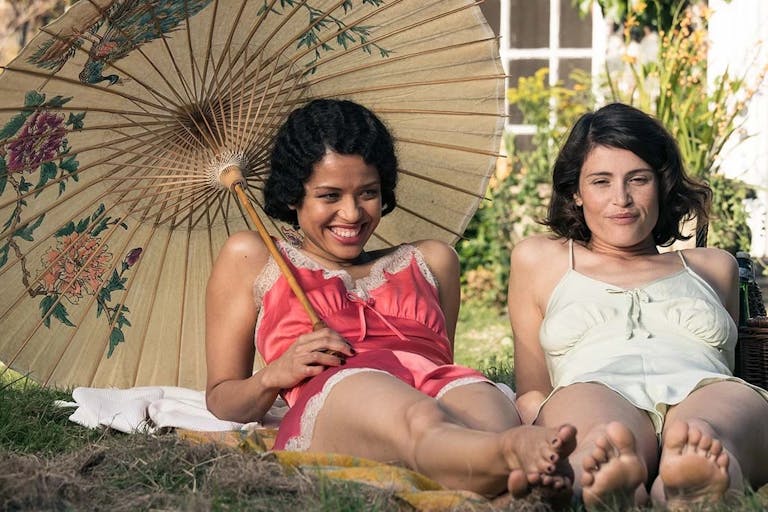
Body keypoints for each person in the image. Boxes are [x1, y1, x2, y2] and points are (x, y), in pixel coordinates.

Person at [205, 98, 577, 501]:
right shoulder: (254, 256)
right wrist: (273, 375)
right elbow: (223, 398)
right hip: (343, 390)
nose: (351, 214)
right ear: (293, 195)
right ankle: (512, 457)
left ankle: (503, 467)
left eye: (367, 193)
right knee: (420, 418)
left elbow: (441, 363)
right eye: (329, 196)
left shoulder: (433, 261)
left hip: (436, 381)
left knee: (483, 414)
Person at [507, 102, 768, 510]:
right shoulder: (540, 260)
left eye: (638, 179)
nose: (622, 199)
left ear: (661, 184)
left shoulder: (713, 266)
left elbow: (726, 366)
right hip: (596, 385)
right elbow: (533, 388)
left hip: (703, 386)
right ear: (575, 192)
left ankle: (697, 479)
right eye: (601, 182)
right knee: (602, 432)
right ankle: (611, 474)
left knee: (709, 427)